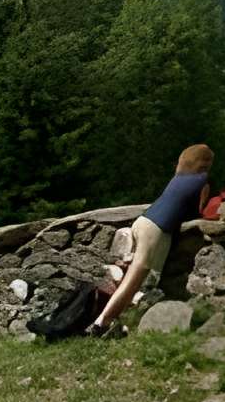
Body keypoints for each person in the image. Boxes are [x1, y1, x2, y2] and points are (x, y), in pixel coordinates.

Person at [92, 143, 214, 335]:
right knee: (133, 280)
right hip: (156, 229)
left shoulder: (177, 178)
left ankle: (112, 319)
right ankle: (101, 323)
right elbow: (196, 212)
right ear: (205, 164)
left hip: (143, 221)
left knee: (134, 278)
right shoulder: (202, 181)